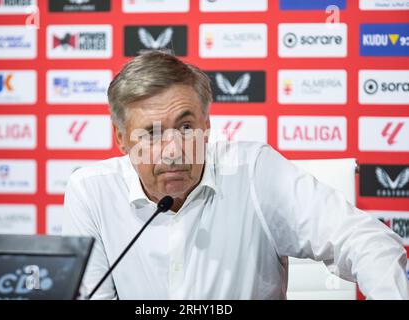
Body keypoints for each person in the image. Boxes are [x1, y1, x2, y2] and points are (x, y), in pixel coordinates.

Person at [62, 50, 409, 300]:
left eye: (186, 127)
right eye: (150, 134)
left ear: (207, 126)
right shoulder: (92, 192)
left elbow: (365, 240)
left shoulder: (253, 170)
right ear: (121, 139)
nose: (173, 150)